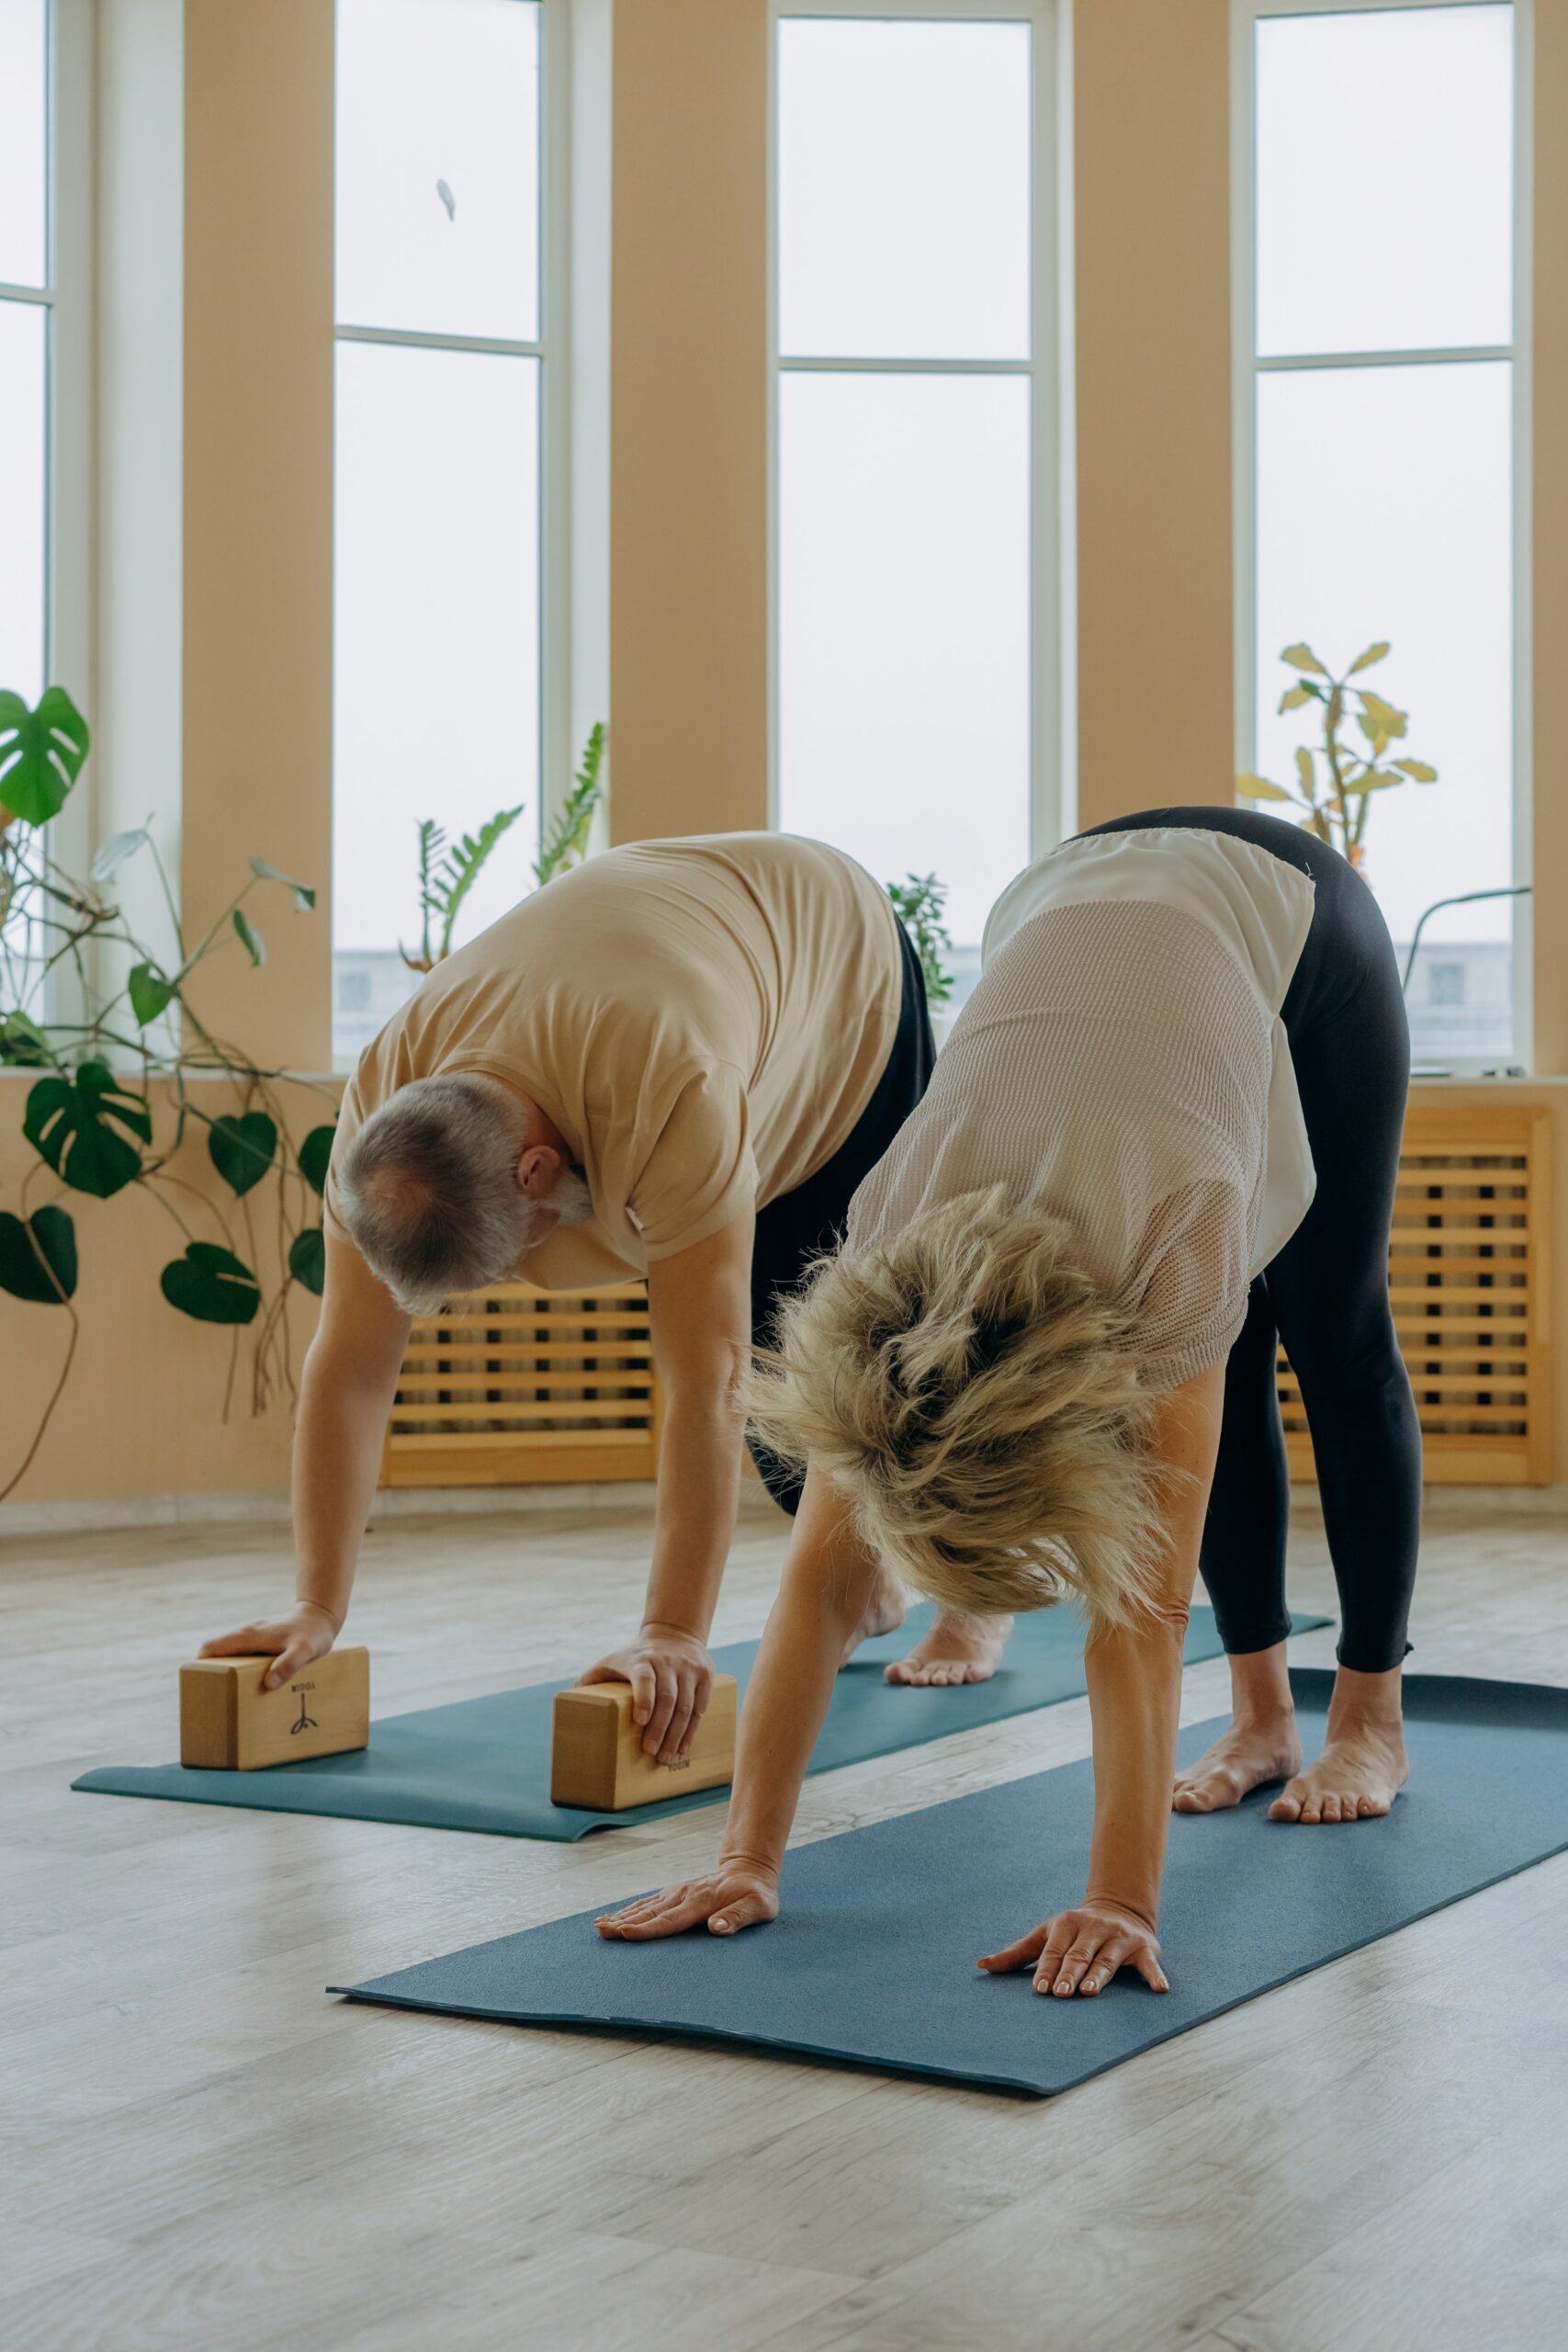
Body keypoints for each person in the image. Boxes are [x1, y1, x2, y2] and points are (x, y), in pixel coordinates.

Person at [597, 807, 1421, 1995]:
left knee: (1328, 1334)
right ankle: (1258, 1723)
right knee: (1215, 1361)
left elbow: (1133, 1616)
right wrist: (745, 1860)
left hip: (1283, 918)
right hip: (1072, 897)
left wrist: (1119, 1901)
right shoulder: (879, 1270)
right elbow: (822, 1583)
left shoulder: (1167, 1224)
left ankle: (1364, 1723)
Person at [200, 832, 949, 1760]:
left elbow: (704, 1387)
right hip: (676, 963)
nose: (516, 1284)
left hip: (835, 975)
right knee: (794, 1456)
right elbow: (351, 1367)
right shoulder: (382, 1132)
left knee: (850, 1364)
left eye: (502, 1267)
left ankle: (975, 1604)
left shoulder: (671, 1089)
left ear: (536, 1170)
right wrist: (316, 1604)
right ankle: (864, 1576)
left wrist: (672, 1630)